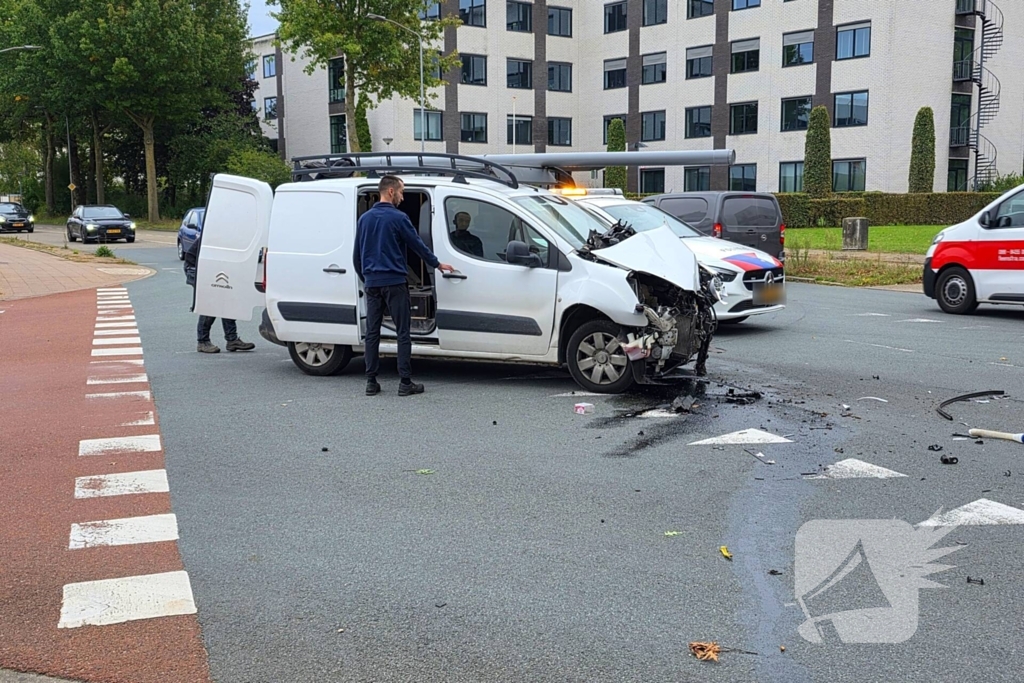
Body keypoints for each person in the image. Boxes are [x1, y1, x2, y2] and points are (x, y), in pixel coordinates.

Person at [354, 175, 455, 396]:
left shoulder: (364, 219)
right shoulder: (399, 218)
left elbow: (356, 256)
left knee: (372, 332)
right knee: (402, 332)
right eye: (401, 191)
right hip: (394, 282)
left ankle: (371, 382)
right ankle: (405, 382)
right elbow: (417, 245)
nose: (402, 196)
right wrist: (437, 264)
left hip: (372, 283)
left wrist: (367, 278)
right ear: (390, 192)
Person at [183, 229, 256, 354]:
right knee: (211, 304)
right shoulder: (214, 236)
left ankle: (232, 340)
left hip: (213, 270)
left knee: (226, 301)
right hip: (196, 269)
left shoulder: (229, 238)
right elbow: (191, 255)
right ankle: (202, 341)